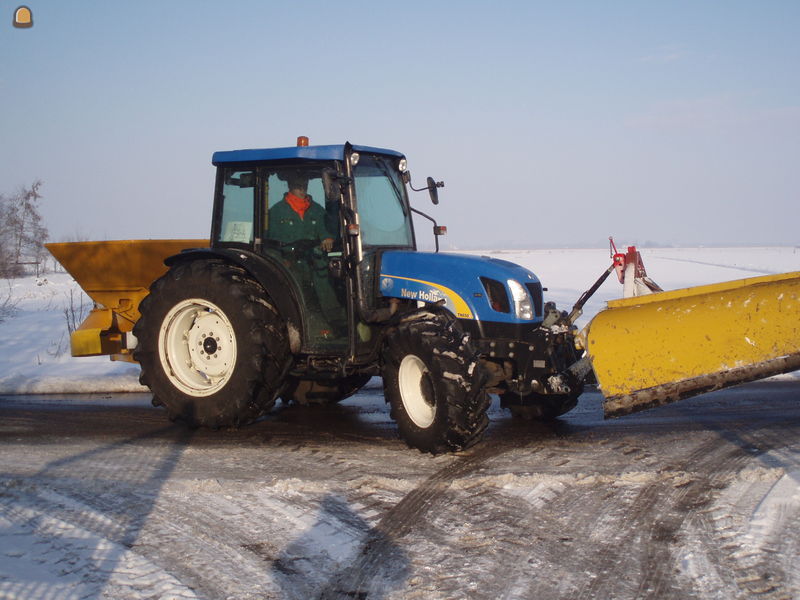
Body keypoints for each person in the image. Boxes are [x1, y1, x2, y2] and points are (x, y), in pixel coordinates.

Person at [267, 175, 334, 252]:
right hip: (284, 262)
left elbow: (327, 231)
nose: (302, 190)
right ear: (290, 186)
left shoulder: (318, 210)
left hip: (315, 261)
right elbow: (270, 245)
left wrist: (328, 238)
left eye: (305, 186)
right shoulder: (276, 212)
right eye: (298, 186)